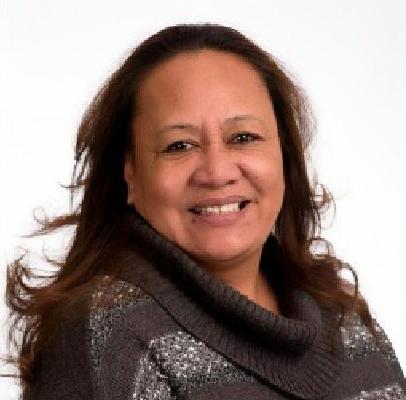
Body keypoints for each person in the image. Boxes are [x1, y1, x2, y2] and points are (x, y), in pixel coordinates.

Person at [5, 24, 405, 399]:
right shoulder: (106, 337)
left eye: (243, 137)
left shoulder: (341, 313)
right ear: (130, 172)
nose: (217, 172)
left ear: (285, 156)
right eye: (179, 146)